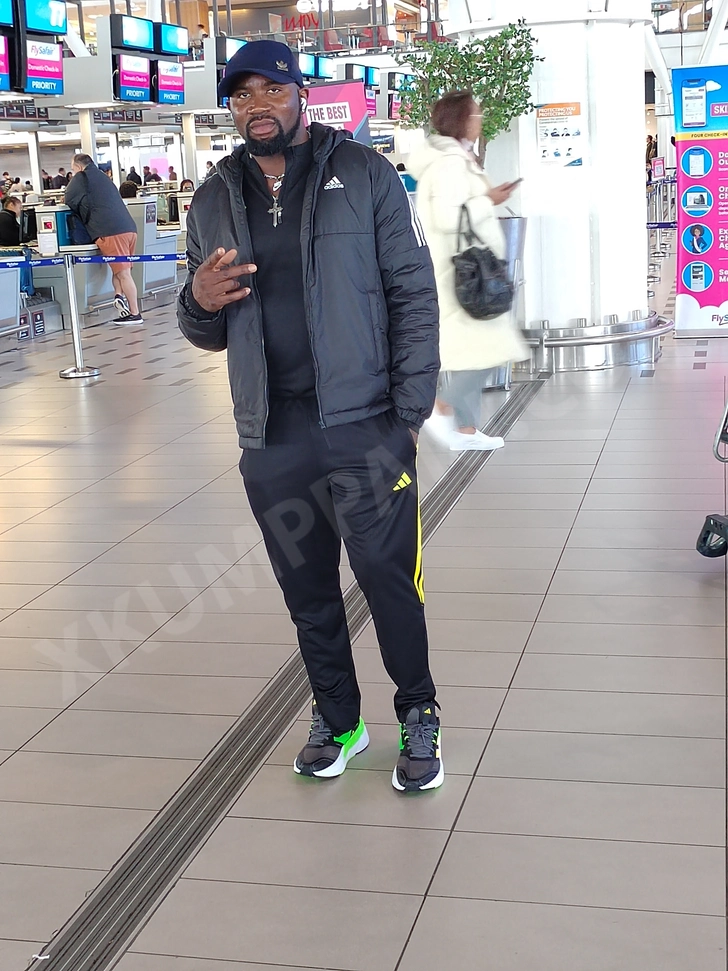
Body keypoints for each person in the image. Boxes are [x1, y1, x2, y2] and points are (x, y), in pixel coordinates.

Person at [178, 40, 443, 792]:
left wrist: (407, 415)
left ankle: (418, 710)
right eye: (241, 95)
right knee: (307, 590)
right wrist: (198, 300)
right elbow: (200, 327)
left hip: (365, 424)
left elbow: (413, 292)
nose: (256, 106)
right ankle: (339, 716)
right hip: (273, 435)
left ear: (300, 94)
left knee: (389, 579)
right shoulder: (212, 197)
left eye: (271, 89)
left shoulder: (364, 174)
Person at [409, 90, 528, 450]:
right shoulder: (448, 163)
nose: (480, 120)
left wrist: (487, 197)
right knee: (489, 347)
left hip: (465, 270)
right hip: (463, 273)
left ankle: (465, 429)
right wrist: (488, 200)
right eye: (476, 115)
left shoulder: (458, 158)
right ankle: (442, 407)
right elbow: (449, 217)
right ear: (461, 120)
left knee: (472, 351)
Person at [65, 154, 142, 325]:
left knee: (123, 274)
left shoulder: (82, 177)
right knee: (119, 271)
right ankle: (118, 296)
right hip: (129, 229)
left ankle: (135, 313)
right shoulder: (103, 177)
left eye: (73, 169)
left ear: (79, 167)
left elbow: (69, 199)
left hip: (111, 231)